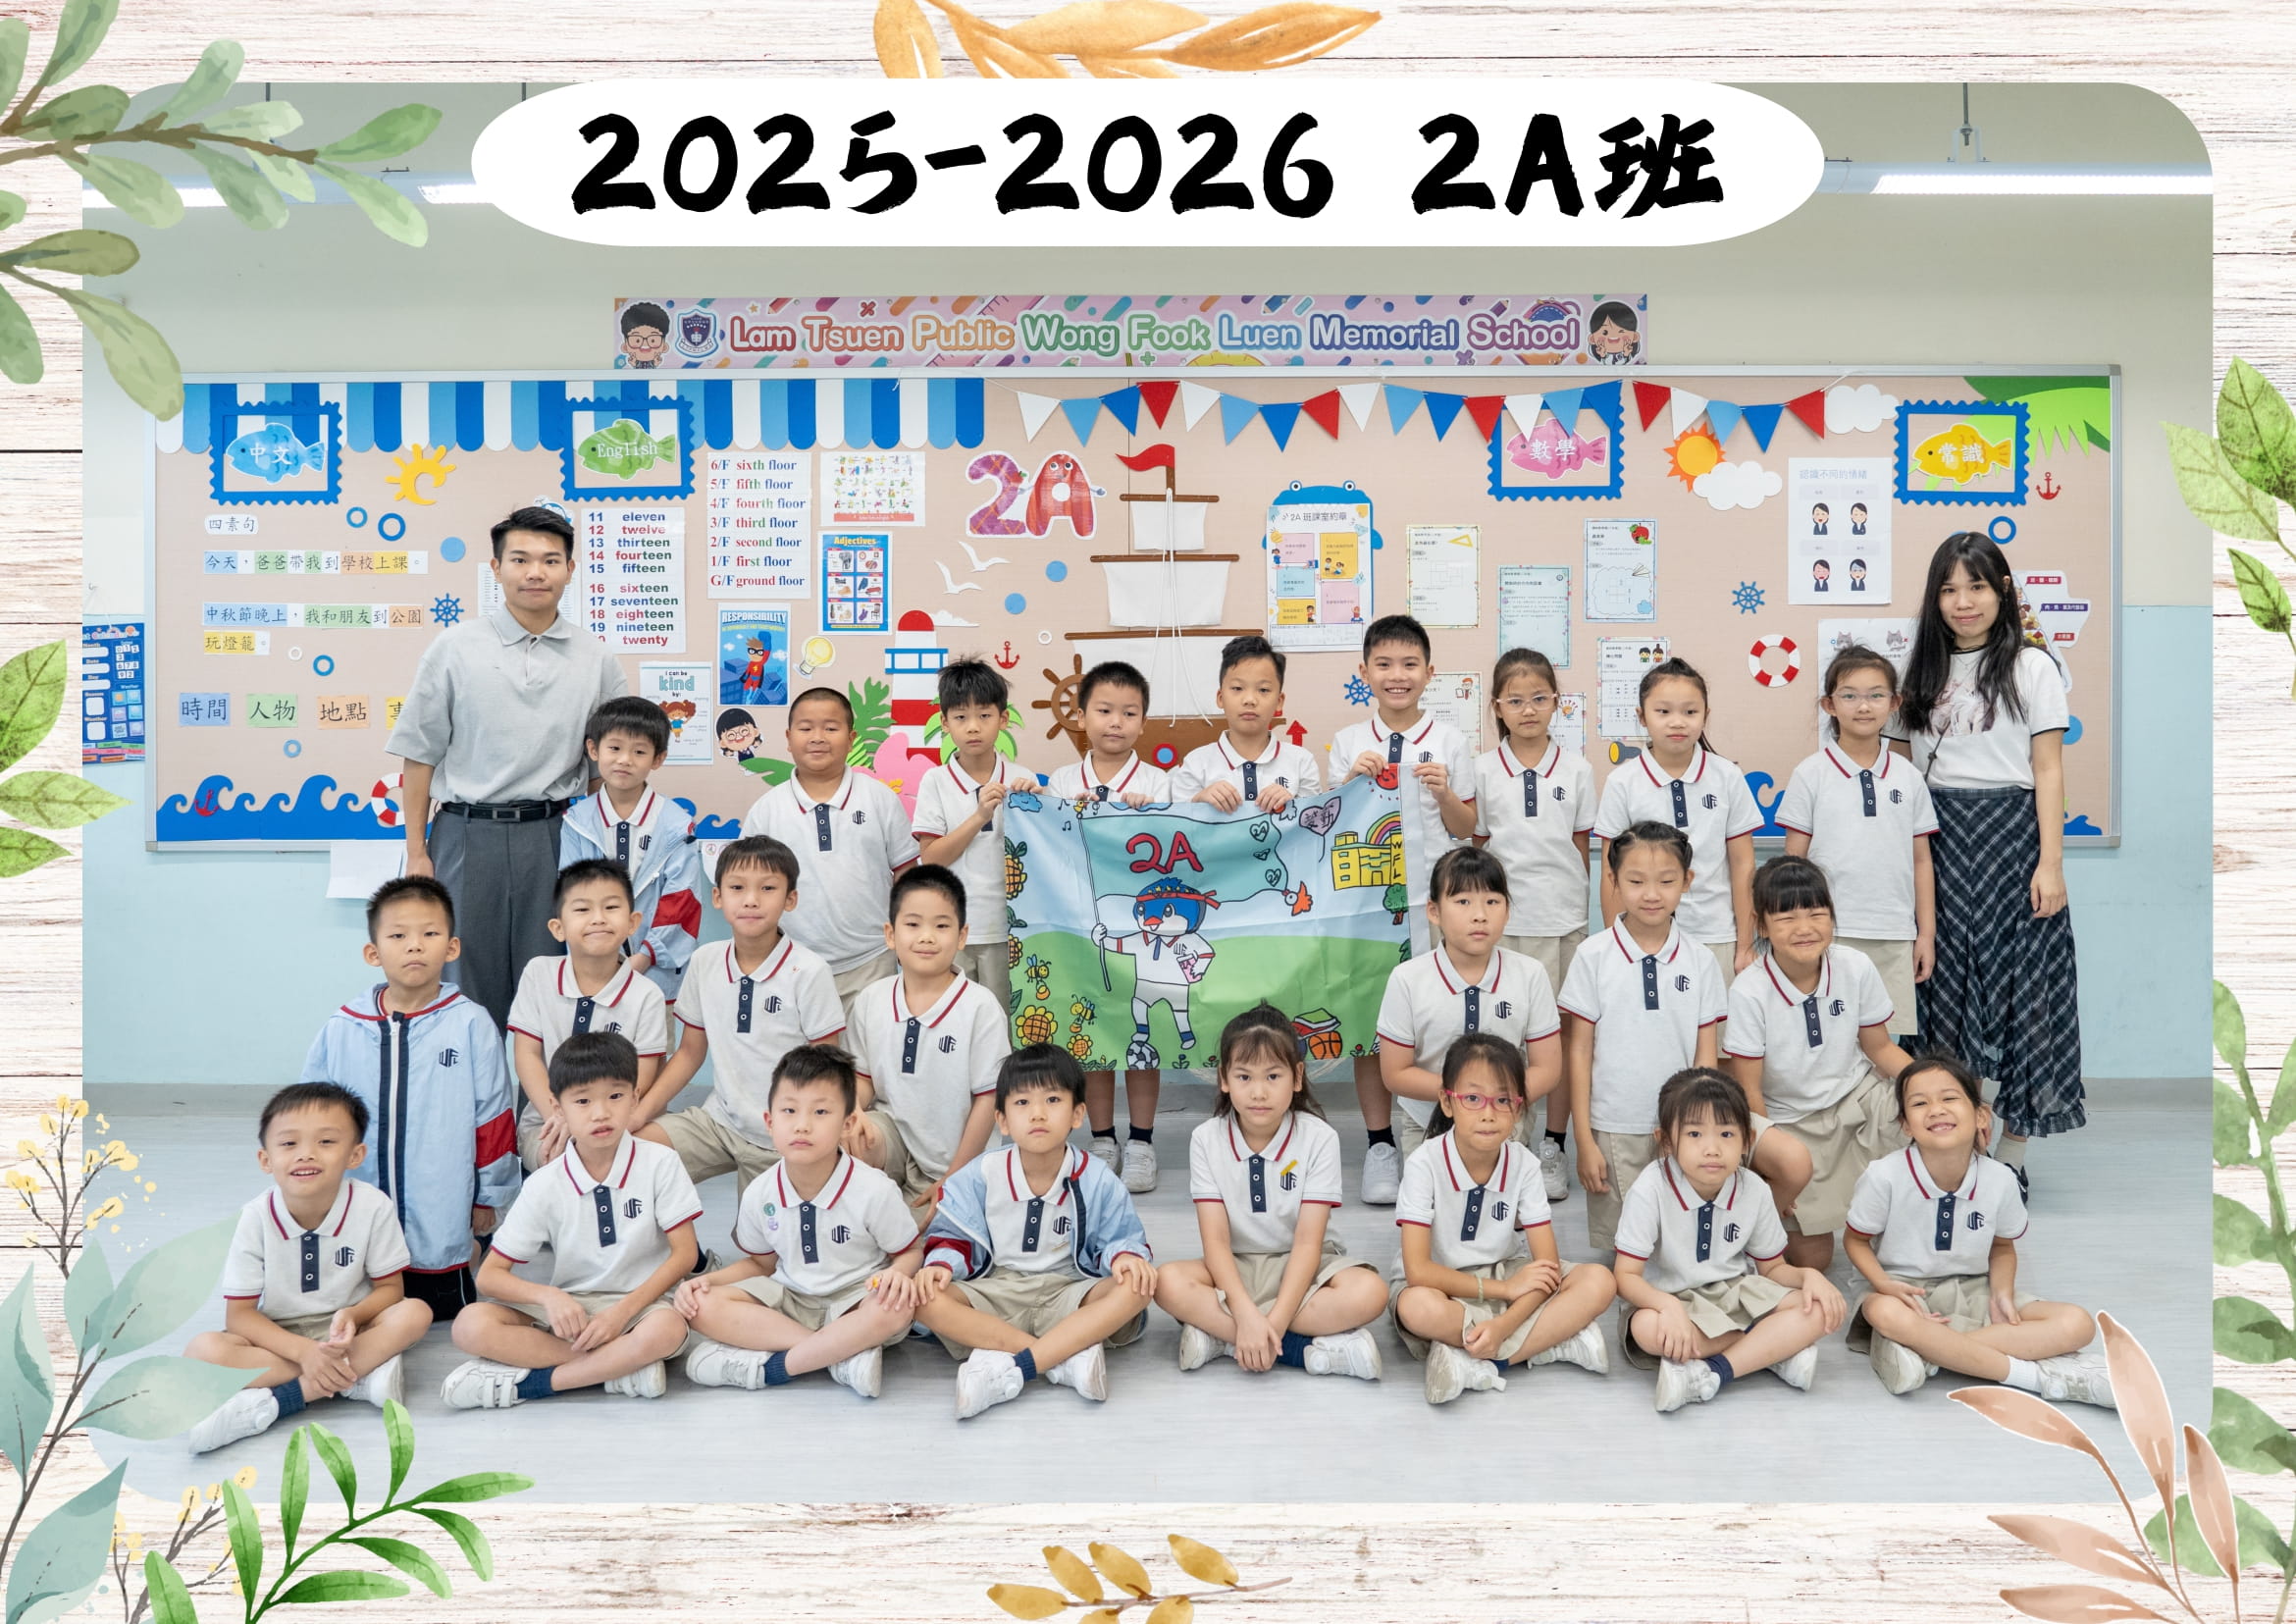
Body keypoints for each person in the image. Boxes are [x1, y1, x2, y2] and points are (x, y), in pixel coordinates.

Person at [388, 504, 628, 1033]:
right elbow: (419, 754)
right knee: (463, 984)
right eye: (520, 559)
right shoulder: (454, 648)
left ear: (570, 569)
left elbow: (604, 765)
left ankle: (544, 1093)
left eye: (550, 560)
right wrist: (417, 852)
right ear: (496, 568)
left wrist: (600, 847)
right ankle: (472, 1089)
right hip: (466, 836)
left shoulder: (596, 658)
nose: (535, 572)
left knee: (557, 986)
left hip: (557, 835)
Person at [1890, 533, 2081, 1192]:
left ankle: (2012, 1157)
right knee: (1939, 995)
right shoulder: (1919, 668)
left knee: (2027, 996)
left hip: (2013, 841)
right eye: (1948, 589)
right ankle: (1948, 1150)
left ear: (2002, 591)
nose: (1962, 601)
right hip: (1937, 840)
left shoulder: (2032, 667)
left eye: (1975, 586)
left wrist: (2050, 863)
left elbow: (2048, 769)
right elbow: (1901, 773)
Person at [1559, 824, 1808, 1255]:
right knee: (1628, 1248)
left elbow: (1706, 1057)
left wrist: (1701, 1127)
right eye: (1636, 881)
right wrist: (1583, 1140)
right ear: (1613, 880)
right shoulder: (1592, 956)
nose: (1651, 894)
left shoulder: (1700, 960)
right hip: (1615, 1126)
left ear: (1687, 881)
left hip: (1684, 1128)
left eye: (1666, 881)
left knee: (1684, 1240)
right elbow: (1579, 1051)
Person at [440, 1033, 702, 1409]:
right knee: (469, 1325)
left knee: (668, 1329)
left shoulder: (660, 1162)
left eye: (615, 1096)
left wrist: (621, 1313)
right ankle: (619, 1367)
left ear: (635, 1098)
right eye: (582, 1101)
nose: (601, 1113)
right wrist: (549, 1297)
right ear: (557, 1109)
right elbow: (490, 1276)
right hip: (573, 1308)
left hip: (642, 1306)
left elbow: (685, 1255)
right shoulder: (546, 1182)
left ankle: (535, 1385)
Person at [300, 875, 517, 1322]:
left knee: (439, 1313)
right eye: (398, 936)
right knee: (353, 1307)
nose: (414, 945)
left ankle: (467, 1258)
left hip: (441, 1218)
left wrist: (488, 1198)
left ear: (452, 948)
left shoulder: (471, 1025)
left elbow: (494, 1119)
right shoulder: (343, 1028)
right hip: (358, 1219)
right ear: (373, 952)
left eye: (429, 933)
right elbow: (310, 1120)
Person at [1845, 1055, 2113, 1406]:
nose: (1936, 1109)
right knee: (1883, 1313)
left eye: (1949, 1098)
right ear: (1906, 1125)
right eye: (1920, 1103)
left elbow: (2002, 1248)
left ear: (1981, 1116)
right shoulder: (1884, 1176)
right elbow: (1856, 1241)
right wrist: (1882, 1284)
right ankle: (2033, 1377)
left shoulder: (2000, 1179)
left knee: (2077, 1324)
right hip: (1901, 1291)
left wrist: (2002, 1293)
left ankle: (1926, 1353)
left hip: (1972, 1288)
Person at [184, 1083, 433, 1453]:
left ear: (355, 1154)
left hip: (349, 1331)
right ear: (265, 1159)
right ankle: (354, 1377)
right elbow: (239, 1317)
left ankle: (279, 1399)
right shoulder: (254, 1218)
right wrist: (304, 1353)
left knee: (416, 1312)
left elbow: (391, 1290)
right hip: (279, 1337)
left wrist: (354, 1314)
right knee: (202, 1353)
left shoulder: (373, 1206)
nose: (306, 1154)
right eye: (289, 1143)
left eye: (326, 1142)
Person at [914, 1046, 1155, 1418]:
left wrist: (1125, 1257)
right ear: (1002, 1120)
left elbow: (1121, 1237)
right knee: (923, 1297)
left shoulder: (1097, 1178)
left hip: (1069, 1291)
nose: (1038, 1113)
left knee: (1139, 1286)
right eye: (1022, 1102)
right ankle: (1061, 1359)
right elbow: (954, 1235)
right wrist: (942, 1265)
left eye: (1053, 1100)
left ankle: (1015, 1363)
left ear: (1077, 1114)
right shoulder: (981, 1174)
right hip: (997, 1290)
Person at [1331, 614, 1479, 1207]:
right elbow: (1328, 826)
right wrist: (1350, 780)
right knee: (1374, 1027)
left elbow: (1467, 830)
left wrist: (1444, 792)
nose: (1397, 675)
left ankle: (1445, 1136)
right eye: (1384, 664)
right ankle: (1379, 1145)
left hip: (1435, 909)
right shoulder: (1348, 740)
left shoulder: (1451, 741)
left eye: (1410, 664)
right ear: (1364, 671)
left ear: (1429, 672)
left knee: (1439, 1020)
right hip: (1367, 910)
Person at [676, 1046, 924, 1397]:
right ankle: (840, 1356)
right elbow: (760, 1265)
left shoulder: (874, 1189)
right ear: (770, 1122)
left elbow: (910, 1252)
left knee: (897, 1307)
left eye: (821, 1112)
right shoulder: (761, 1192)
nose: (802, 1125)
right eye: (789, 1110)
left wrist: (897, 1274)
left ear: (848, 1123)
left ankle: (773, 1369)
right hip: (790, 1300)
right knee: (699, 1305)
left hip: (856, 1300)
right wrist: (705, 1281)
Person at [1154, 1004, 1386, 1381]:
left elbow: (1308, 1244)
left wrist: (1274, 1320)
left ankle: (1225, 1340)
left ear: (1297, 1077)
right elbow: (1215, 1243)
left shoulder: (1319, 1138)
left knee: (1369, 1292)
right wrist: (1245, 1313)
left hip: (1305, 1266)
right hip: (1235, 1266)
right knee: (1166, 1283)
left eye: (1273, 1076)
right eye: (1244, 1076)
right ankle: (1299, 1350)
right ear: (1224, 1079)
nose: (1258, 1092)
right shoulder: (1206, 1139)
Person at [1390, 1034, 1615, 1405]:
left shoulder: (1524, 1164)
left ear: (1520, 1107)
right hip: (1440, 1283)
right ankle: (1548, 1342)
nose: (1488, 1113)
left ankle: (1481, 1357)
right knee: (1416, 1307)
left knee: (1600, 1280)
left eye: (1503, 1100)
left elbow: (1546, 1267)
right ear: (1447, 1102)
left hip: (1505, 1269)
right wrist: (1505, 1292)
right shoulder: (1424, 1164)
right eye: (1473, 1098)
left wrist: (1503, 1325)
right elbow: (1418, 1271)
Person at [1614, 1068, 1844, 1413]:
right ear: (1666, 1141)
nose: (1712, 1149)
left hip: (1736, 1292)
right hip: (1668, 1300)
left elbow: (1773, 1270)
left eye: (1726, 1133)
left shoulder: (1754, 1189)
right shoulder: (1650, 1188)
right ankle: (1769, 1351)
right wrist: (1668, 1307)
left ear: (1747, 1140)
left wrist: (1808, 1276)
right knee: (1648, 1330)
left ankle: (1712, 1372)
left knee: (1818, 1309)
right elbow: (1625, 1276)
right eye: (1694, 1133)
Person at [1722, 857, 1912, 1271]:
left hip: (1858, 1100)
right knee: (1814, 1261)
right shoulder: (1749, 991)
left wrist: (1943, 1092)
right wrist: (1768, 1161)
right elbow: (1749, 1090)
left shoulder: (1855, 966)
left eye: (1816, 913)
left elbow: (1880, 1049)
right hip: (1792, 1123)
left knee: (1937, 1118)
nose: (1804, 928)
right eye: (1786, 917)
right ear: (1761, 926)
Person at [640, 837, 845, 1195]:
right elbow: (689, 1053)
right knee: (630, 1154)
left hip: (781, 1138)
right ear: (718, 896)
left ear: (790, 899)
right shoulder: (705, 961)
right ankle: (686, 1239)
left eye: (767, 888)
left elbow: (828, 1069)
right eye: (737, 888)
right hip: (717, 1122)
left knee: (757, 1233)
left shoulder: (809, 971)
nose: (751, 899)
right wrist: (639, 1114)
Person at [1472, 647, 1594, 1197]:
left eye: (1539, 698)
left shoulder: (1578, 769)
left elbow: (1581, 847)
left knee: (1561, 1040)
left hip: (1564, 921)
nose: (1528, 709)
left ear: (1557, 703)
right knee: (1502, 1038)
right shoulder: (1482, 769)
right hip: (1502, 927)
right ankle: (1507, 1143)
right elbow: (1479, 846)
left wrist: (1581, 915)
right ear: (1497, 706)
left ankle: (1552, 1144)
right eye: (1515, 700)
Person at [1045, 660, 1171, 1194]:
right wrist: (1057, 810)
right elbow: (1047, 845)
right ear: (1081, 717)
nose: (1115, 722)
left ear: (1143, 722)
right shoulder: (1061, 781)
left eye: (1129, 713)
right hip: (1083, 929)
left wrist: (1151, 811)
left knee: (1143, 1038)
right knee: (1095, 1035)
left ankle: (1141, 1141)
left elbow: (1174, 851)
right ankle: (1102, 1140)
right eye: (1103, 710)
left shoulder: (1157, 781)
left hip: (1142, 929)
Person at [1779, 645, 1937, 1041]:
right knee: (1829, 1038)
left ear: (1894, 703)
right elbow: (1793, 865)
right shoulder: (1810, 774)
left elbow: (1922, 861)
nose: (1863, 706)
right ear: (1829, 705)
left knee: (1885, 1043)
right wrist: (1793, 927)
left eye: (1876, 695)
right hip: (1827, 932)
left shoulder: (1908, 776)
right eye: (1849, 695)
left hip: (1894, 933)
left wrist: (1925, 935)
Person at [740, 687, 920, 1019]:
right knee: (799, 1052)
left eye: (831, 728)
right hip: (789, 963)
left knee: (868, 1050)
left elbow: (905, 873)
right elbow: (748, 887)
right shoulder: (766, 811)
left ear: (851, 739)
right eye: (806, 728)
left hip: (871, 961)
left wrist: (904, 937)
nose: (818, 737)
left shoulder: (880, 799)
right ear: (788, 738)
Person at [1376, 848, 1562, 1163]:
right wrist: (1467, 1097)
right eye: (1463, 902)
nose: (1480, 915)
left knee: (1503, 1193)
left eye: (1492, 901)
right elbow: (1395, 1073)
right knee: (1432, 1195)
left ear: (1507, 910)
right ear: (1434, 911)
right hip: (1427, 1123)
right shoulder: (1407, 978)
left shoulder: (1530, 974)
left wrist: (1495, 1100)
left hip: (1505, 1123)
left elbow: (1548, 1069)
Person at [848, 865, 1011, 1219]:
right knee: (844, 1132)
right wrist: (852, 1111)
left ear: (962, 936)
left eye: (941, 926)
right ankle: (865, 1203)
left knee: (921, 1241)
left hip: (954, 1160)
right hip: (892, 1141)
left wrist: (955, 1176)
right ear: (890, 934)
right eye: (913, 924)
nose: (926, 937)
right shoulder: (872, 999)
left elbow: (988, 1100)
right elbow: (863, 1077)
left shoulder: (980, 1008)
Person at [1592, 657, 1761, 984]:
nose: (1677, 722)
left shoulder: (1727, 776)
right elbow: (1611, 873)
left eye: (1690, 711)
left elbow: (1743, 864)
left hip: (1717, 935)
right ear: (1642, 716)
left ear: (1705, 716)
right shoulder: (1623, 782)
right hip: (1644, 937)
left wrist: (1745, 944)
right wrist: (1617, 945)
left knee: (1717, 1018)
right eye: (1663, 711)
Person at [506, 859, 670, 1171]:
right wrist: (562, 1116)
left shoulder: (647, 995)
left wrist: (591, 1123)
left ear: (633, 922)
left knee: (625, 1158)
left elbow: (642, 1076)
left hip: (616, 1121)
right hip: (548, 1121)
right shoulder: (539, 974)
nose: (598, 919)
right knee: (562, 1160)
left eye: (611, 907)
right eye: (582, 909)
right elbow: (526, 1055)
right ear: (558, 928)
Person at [559, 696, 706, 1006]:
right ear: (593, 750)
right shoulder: (576, 822)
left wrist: (643, 958)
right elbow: (572, 897)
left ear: (658, 759)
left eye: (639, 751)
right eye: (615, 748)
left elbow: (682, 902)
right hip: (592, 972)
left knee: (654, 1037)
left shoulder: (677, 827)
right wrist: (599, 960)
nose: (625, 759)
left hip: (655, 977)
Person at [912, 657, 1019, 1006]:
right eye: (961, 717)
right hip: (951, 927)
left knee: (1002, 1020)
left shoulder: (1021, 779)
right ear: (944, 723)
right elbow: (931, 858)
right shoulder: (935, 781)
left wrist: (1038, 805)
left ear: (1003, 719)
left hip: (1007, 927)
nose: (973, 727)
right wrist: (979, 816)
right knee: (954, 1018)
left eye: (984, 715)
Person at [1169, 635, 1321, 815]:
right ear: (1220, 698)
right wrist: (1198, 802)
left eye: (1263, 690)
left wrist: (1294, 806)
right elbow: (1179, 824)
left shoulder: (1302, 762)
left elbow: (1315, 823)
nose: (1250, 700)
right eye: (1237, 688)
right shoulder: (1195, 764)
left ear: (1279, 701)